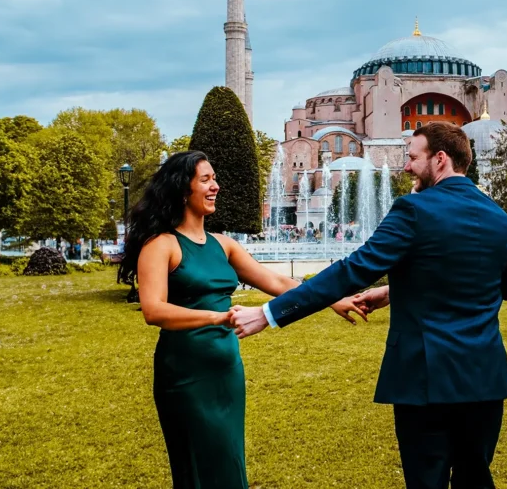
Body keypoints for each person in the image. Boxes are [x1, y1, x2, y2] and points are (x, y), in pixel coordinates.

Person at [231, 123, 507, 489]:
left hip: (425, 380)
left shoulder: (413, 210)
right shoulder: (498, 218)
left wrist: (268, 313)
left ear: (441, 159)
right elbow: (501, 285)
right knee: (475, 478)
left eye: (413, 158)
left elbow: (352, 270)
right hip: (484, 379)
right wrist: (393, 293)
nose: (405, 167)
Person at [117, 151, 366, 489]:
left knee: (228, 460)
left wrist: (331, 299)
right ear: (181, 190)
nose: (215, 186)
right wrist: (218, 317)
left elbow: (277, 283)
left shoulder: (224, 244)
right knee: (198, 466)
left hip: (226, 371)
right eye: (205, 180)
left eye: (214, 179)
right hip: (185, 375)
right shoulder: (161, 246)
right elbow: (153, 310)